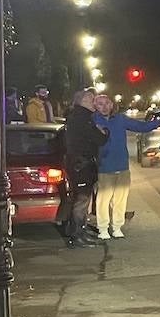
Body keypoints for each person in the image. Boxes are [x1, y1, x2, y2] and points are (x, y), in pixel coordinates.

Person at [93, 94, 159, 240]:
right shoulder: (93, 121)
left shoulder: (120, 119)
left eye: (106, 103)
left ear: (111, 105)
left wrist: (158, 123)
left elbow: (140, 127)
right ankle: (103, 228)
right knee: (103, 200)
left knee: (120, 199)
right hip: (105, 167)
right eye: (99, 104)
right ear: (95, 107)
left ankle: (117, 227)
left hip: (122, 165)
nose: (103, 107)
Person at [59, 91, 106, 247]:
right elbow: (99, 139)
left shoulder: (79, 117)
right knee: (81, 201)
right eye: (92, 100)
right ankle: (77, 235)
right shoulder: (82, 118)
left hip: (81, 164)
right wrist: (104, 132)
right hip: (81, 165)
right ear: (84, 101)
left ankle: (81, 231)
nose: (95, 103)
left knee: (82, 200)